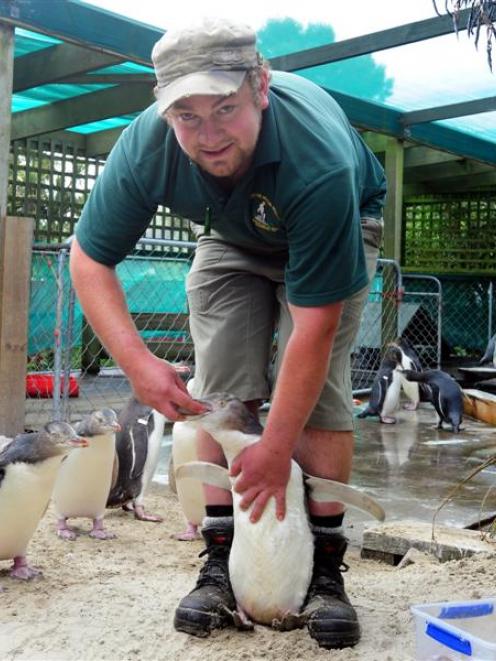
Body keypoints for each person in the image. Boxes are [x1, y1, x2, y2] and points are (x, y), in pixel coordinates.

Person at [70, 17, 386, 650]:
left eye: (226, 109)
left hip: (336, 224)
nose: (208, 135)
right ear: (164, 111)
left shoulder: (315, 157)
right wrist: (136, 364)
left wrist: (275, 446)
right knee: (217, 390)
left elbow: (315, 326)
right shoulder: (147, 145)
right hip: (231, 237)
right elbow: (89, 258)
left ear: (261, 86)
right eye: (187, 115)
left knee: (319, 394)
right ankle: (217, 562)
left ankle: (327, 573)